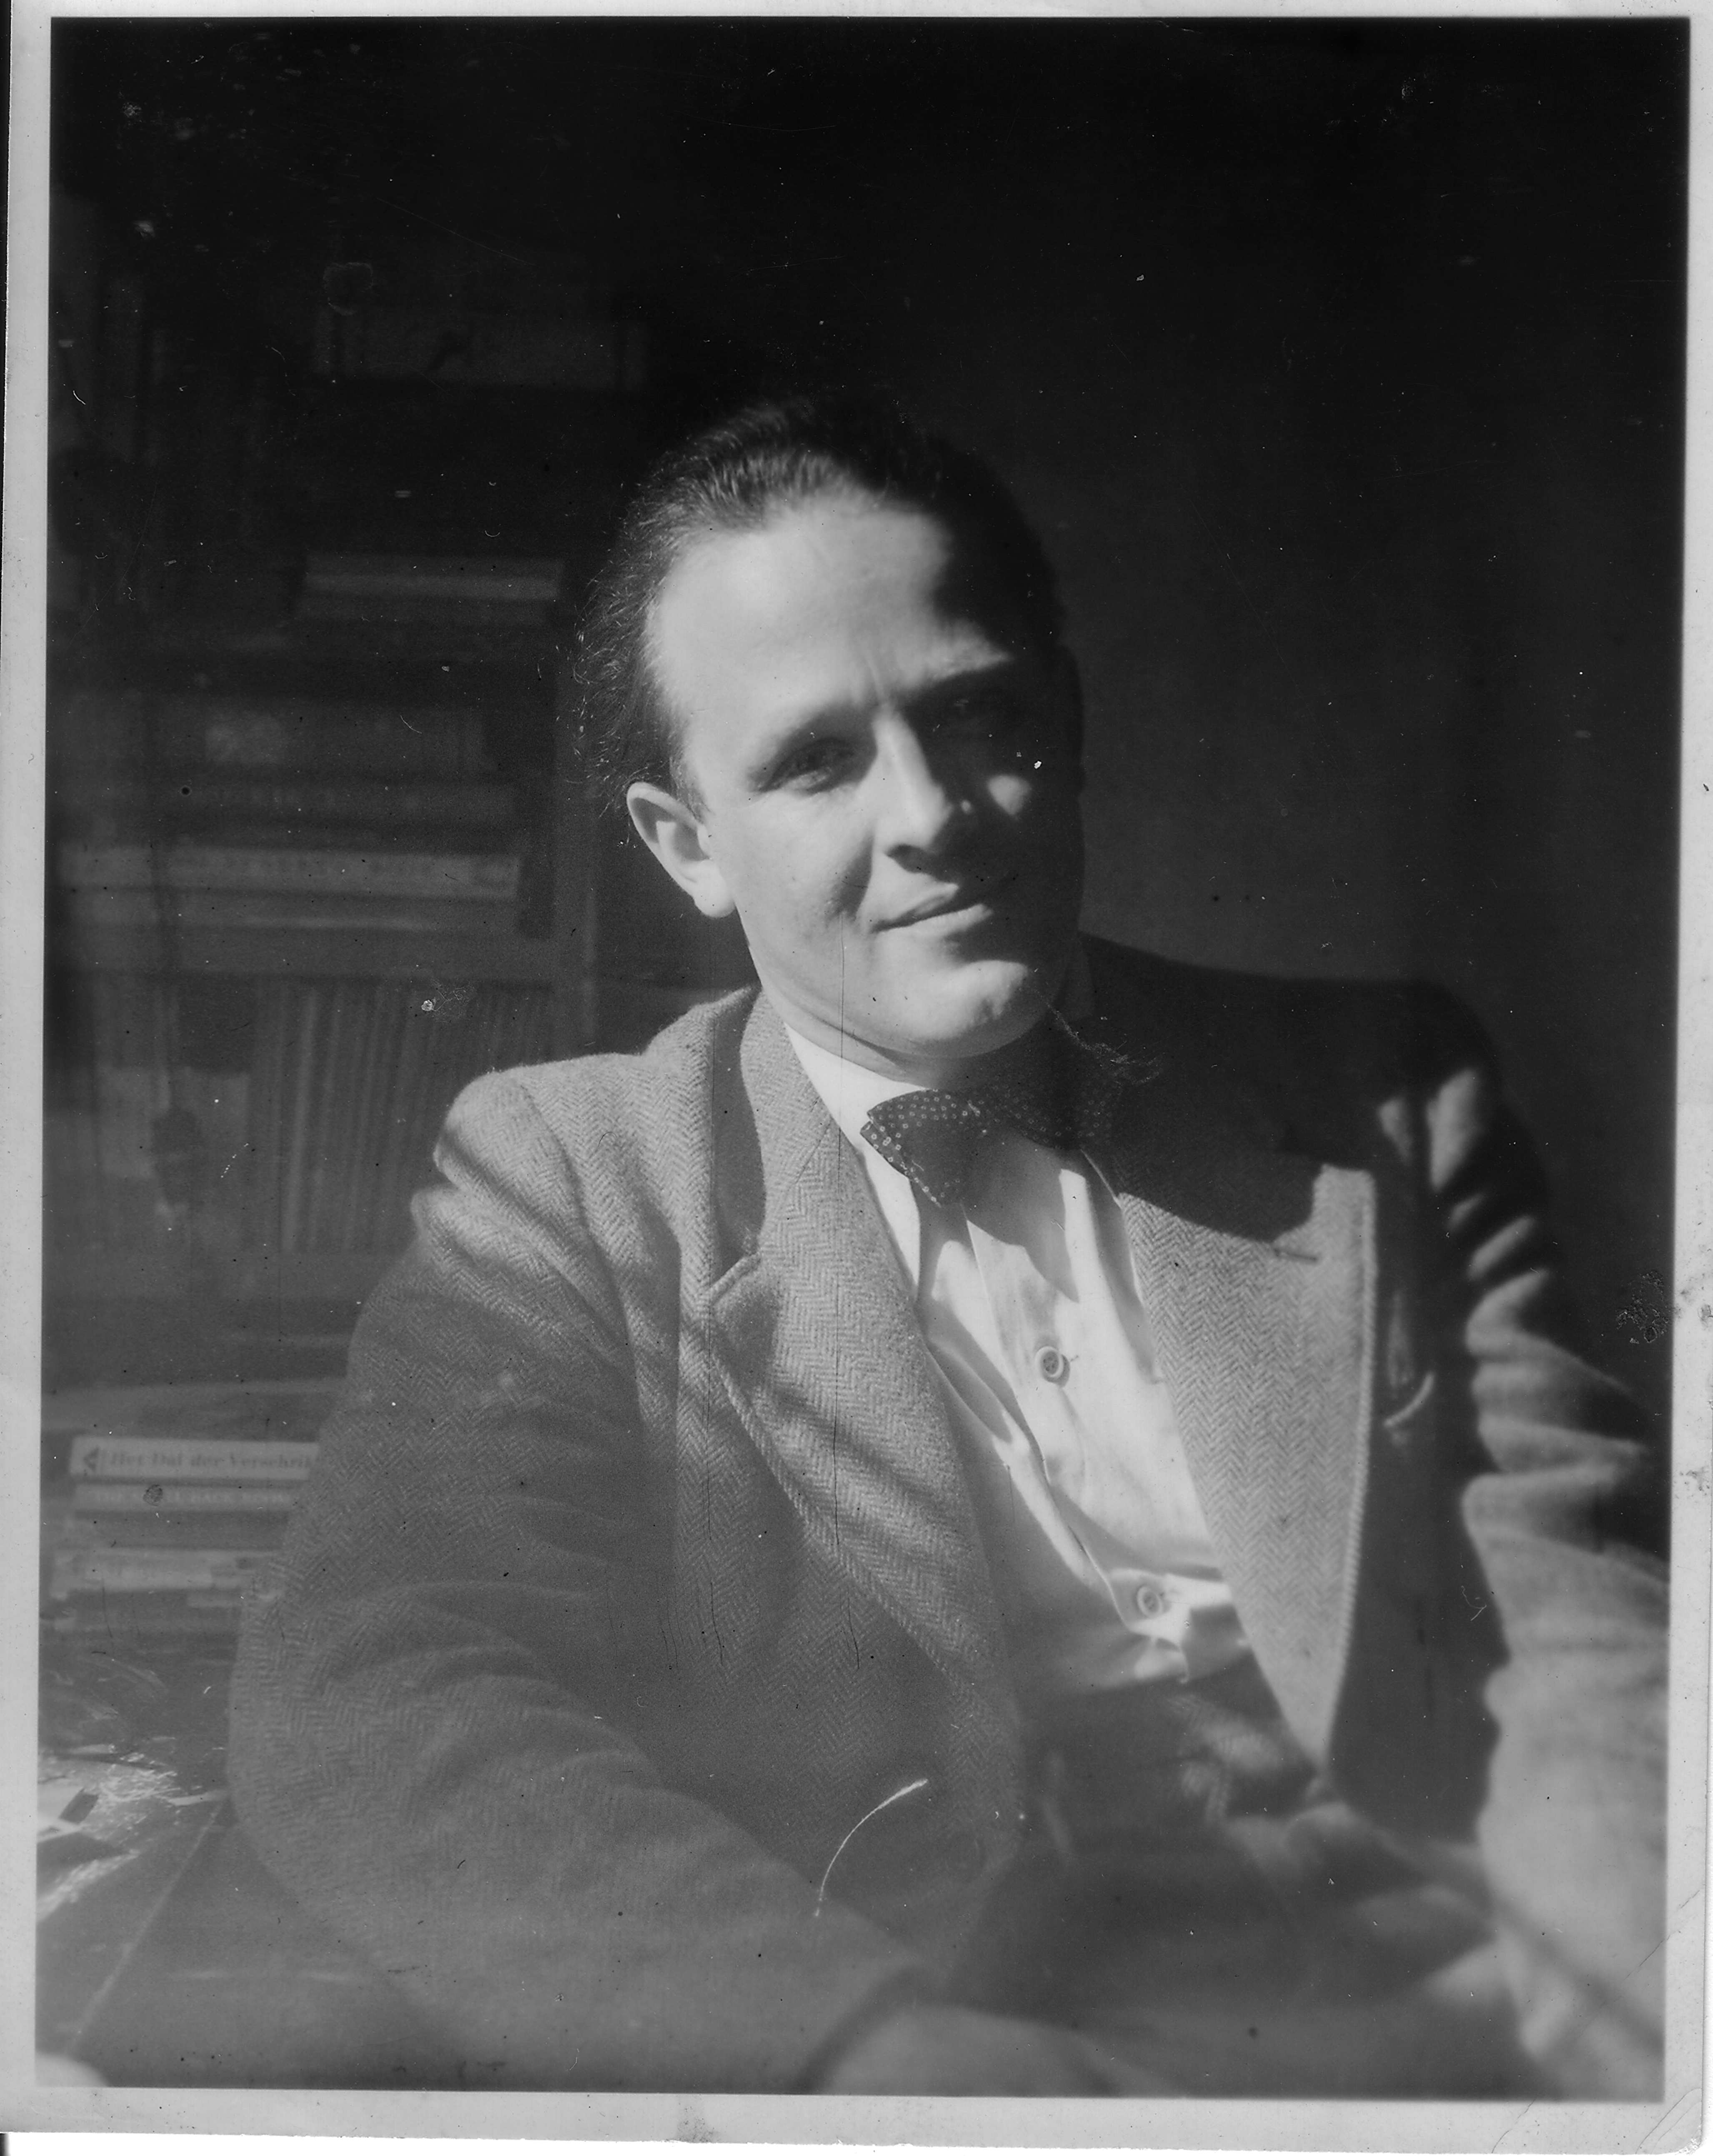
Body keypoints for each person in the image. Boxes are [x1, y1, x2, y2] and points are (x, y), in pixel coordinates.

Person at [228, 392, 1667, 2098]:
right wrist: (846, 2044)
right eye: (815, 762)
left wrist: (1658, 2022)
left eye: (977, 713)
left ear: (1068, 720)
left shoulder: (1383, 1098)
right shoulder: (576, 1179)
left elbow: (1589, 1629)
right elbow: (374, 1690)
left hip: (1476, 2035)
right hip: (949, 2051)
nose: (932, 814)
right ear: (687, 845)